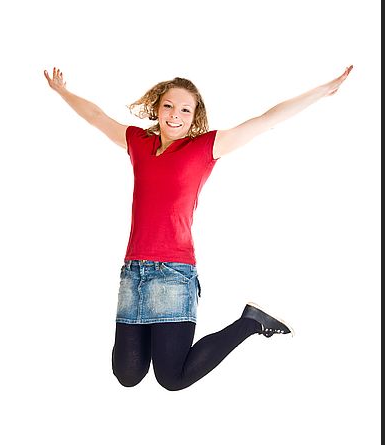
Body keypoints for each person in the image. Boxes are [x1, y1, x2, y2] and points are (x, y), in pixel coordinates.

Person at [44, 65, 353, 391]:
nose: (175, 115)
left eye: (185, 110)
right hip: (133, 273)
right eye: (168, 106)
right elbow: (96, 116)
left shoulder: (204, 148)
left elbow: (266, 119)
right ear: (157, 108)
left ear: (195, 117)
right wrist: (63, 91)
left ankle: (249, 323)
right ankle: (161, 334)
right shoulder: (138, 142)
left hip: (173, 273)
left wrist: (322, 90)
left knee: (171, 378)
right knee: (127, 374)